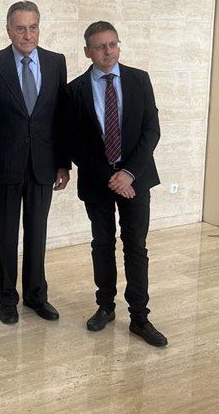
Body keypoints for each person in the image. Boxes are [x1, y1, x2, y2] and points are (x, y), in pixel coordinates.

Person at [66, 21, 167, 347]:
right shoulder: (75, 90)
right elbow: (75, 143)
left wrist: (129, 174)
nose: (107, 51)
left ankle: (139, 317)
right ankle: (105, 307)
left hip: (135, 179)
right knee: (102, 243)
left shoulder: (140, 80)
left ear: (118, 46)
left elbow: (151, 130)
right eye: (99, 46)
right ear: (87, 51)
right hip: (98, 181)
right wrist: (111, 177)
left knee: (135, 246)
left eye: (112, 44)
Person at [0, 1, 70, 325]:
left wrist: (64, 164)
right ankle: (7, 299)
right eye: (20, 28)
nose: (27, 34)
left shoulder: (56, 62)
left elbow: (63, 117)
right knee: (6, 236)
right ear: (8, 30)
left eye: (33, 27)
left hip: (43, 165)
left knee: (37, 233)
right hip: (3, 165)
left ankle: (36, 296)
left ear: (39, 28)